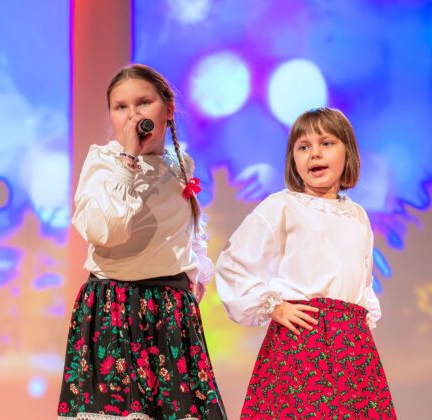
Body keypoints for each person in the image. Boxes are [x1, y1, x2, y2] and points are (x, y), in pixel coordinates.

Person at [57, 64, 227, 419]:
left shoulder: (180, 165)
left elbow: (187, 230)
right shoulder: (104, 163)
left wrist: (193, 279)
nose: (133, 115)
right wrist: (129, 160)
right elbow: (106, 231)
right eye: (121, 107)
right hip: (116, 309)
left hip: (169, 311)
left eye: (143, 103)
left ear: (168, 109)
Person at [216, 107, 395, 418]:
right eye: (303, 147)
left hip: (350, 347)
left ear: (347, 152)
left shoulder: (357, 216)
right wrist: (274, 306)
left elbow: (362, 284)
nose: (315, 154)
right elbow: (233, 264)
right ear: (293, 159)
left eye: (326, 143)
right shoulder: (282, 206)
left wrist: (357, 332)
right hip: (301, 342)